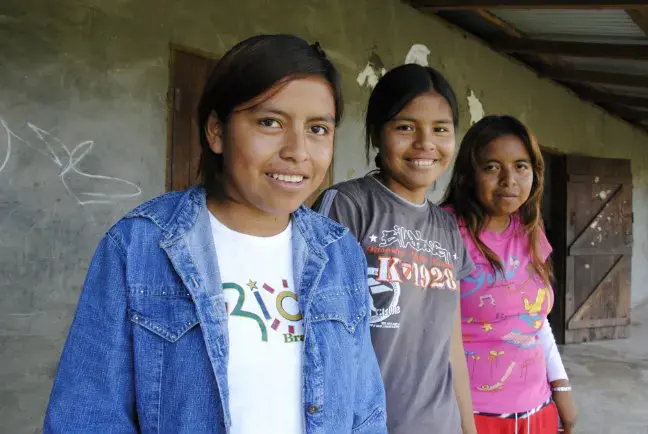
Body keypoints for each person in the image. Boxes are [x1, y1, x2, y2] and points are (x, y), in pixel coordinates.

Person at [43, 34, 387, 434]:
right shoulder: (140, 247)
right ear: (217, 132)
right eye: (269, 122)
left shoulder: (339, 251)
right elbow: (87, 416)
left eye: (318, 129)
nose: (298, 151)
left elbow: (366, 412)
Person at [314, 63, 477, 434]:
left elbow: (450, 344)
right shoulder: (347, 206)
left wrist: (468, 427)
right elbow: (318, 335)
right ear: (376, 132)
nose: (425, 143)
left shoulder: (448, 228)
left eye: (440, 129)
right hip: (366, 424)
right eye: (405, 127)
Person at [442, 115, 578, 433]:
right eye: (492, 167)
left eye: (521, 166)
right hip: (471, 416)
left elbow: (534, 320)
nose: (509, 181)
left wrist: (562, 386)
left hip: (537, 410)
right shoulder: (445, 231)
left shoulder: (528, 228)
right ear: (468, 174)